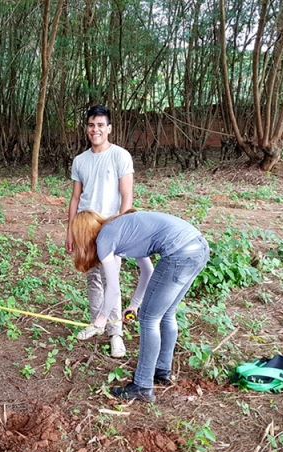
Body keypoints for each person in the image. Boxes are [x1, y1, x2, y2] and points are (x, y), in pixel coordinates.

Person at [71, 210, 210, 402]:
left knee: (149, 319)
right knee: (167, 313)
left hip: (180, 252)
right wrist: (134, 305)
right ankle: (162, 371)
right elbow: (147, 270)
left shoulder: (105, 238)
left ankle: (143, 386)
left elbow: (112, 287)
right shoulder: (121, 228)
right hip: (198, 247)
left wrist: (101, 319)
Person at [66, 105, 134, 358]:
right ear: (87, 128)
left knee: (111, 280)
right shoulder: (80, 160)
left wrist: (120, 226)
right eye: (91, 125)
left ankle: (116, 332)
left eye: (100, 125)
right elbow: (75, 198)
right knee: (92, 277)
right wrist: (71, 231)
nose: (95, 130)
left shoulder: (120, 156)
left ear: (109, 129)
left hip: (110, 226)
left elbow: (126, 195)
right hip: (85, 226)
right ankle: (97, 323)